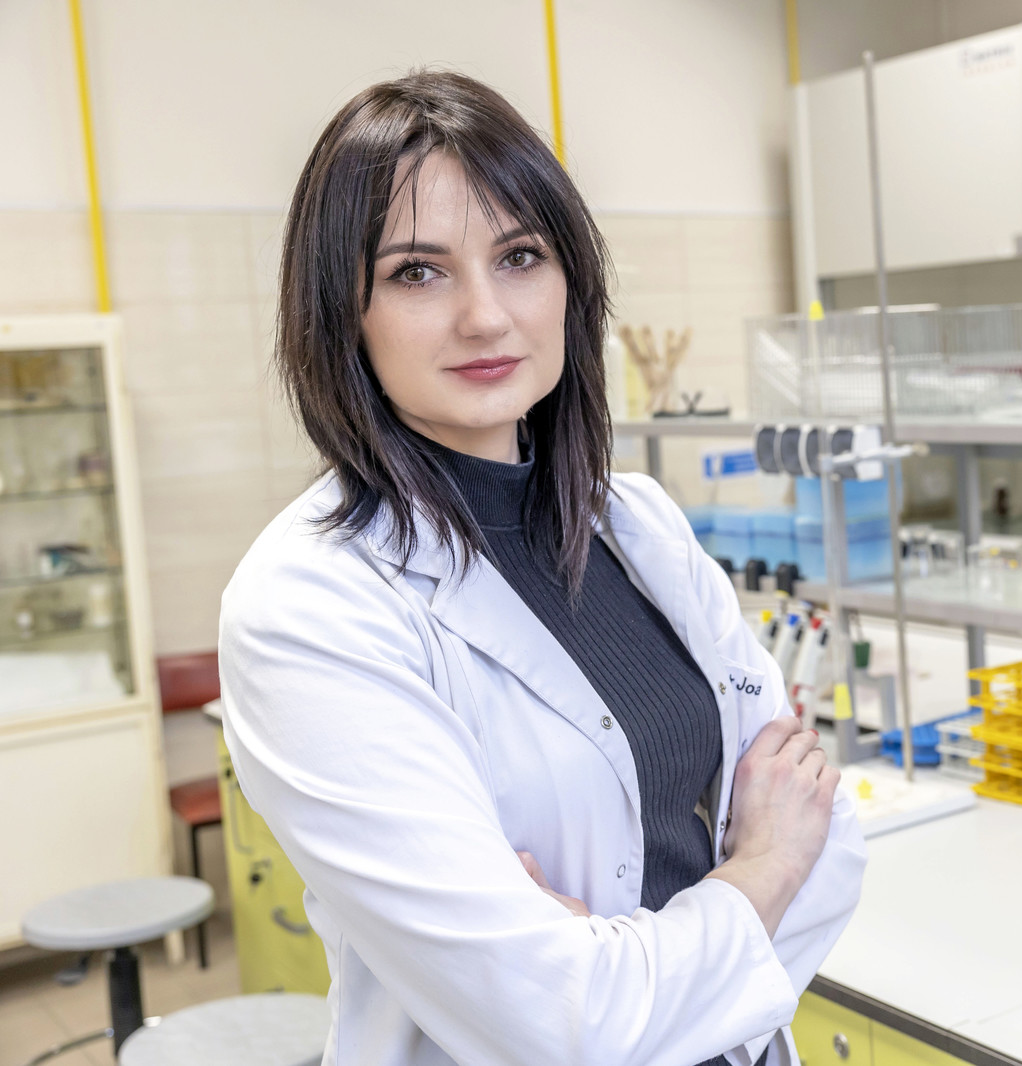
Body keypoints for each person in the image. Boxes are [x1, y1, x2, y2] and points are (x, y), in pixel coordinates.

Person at [219, 69, 866, 1066]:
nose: (485, 315)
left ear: (571, 281)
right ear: (342, 311)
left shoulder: (639, 528)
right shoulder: (308, 605)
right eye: (417, 272)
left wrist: (615, 956)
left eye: (519, 256)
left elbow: (827, 834)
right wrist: (763, 864)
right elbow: (565, 1026)